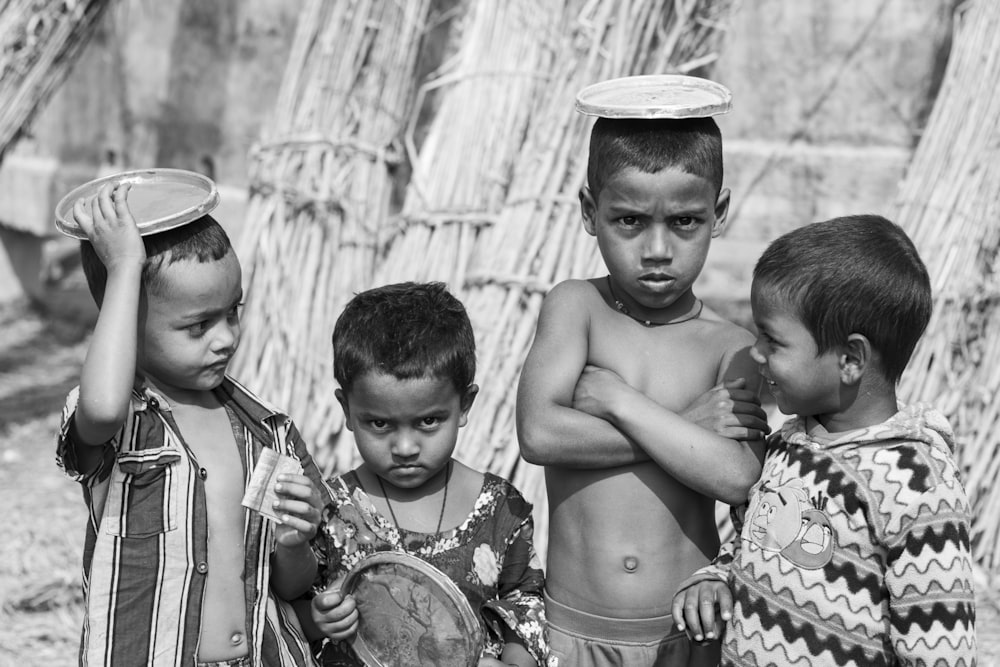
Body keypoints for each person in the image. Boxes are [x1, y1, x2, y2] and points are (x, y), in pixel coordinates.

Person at [516, 105, 772, 663]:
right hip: (572, 630)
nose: (657, 250)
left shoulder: (730, 347)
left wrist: (618, 401)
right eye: (629, 220)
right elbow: (539, 433)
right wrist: (687, 428)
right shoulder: (576, 307)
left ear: (719, 212)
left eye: (685, 221)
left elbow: (737, 475)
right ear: (590, 210)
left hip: (687, 631)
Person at [672, 214, 977, 666]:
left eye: (772, 341)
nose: (755, 353)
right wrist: (717, 577)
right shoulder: (789, 446)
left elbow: (940, 649)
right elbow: (755, 543)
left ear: (850, 359)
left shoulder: (916, 484)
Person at [56, 180, 327, 666]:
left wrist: (294, 543)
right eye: (198, 326)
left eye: (233, 313)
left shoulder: (268, 433)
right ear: (127, 318)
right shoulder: (125, 427)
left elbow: (291, 584)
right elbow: (99, 409)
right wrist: (123, 269)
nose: (225, 339)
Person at [306, 281, 547, 667]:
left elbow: (526, 607)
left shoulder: (502, 512)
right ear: (347, 409)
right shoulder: (330, 509)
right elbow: (290, 605)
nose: (404, 447)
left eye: (429, 421)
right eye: (380, 424)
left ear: (465, 404)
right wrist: (317, 619)